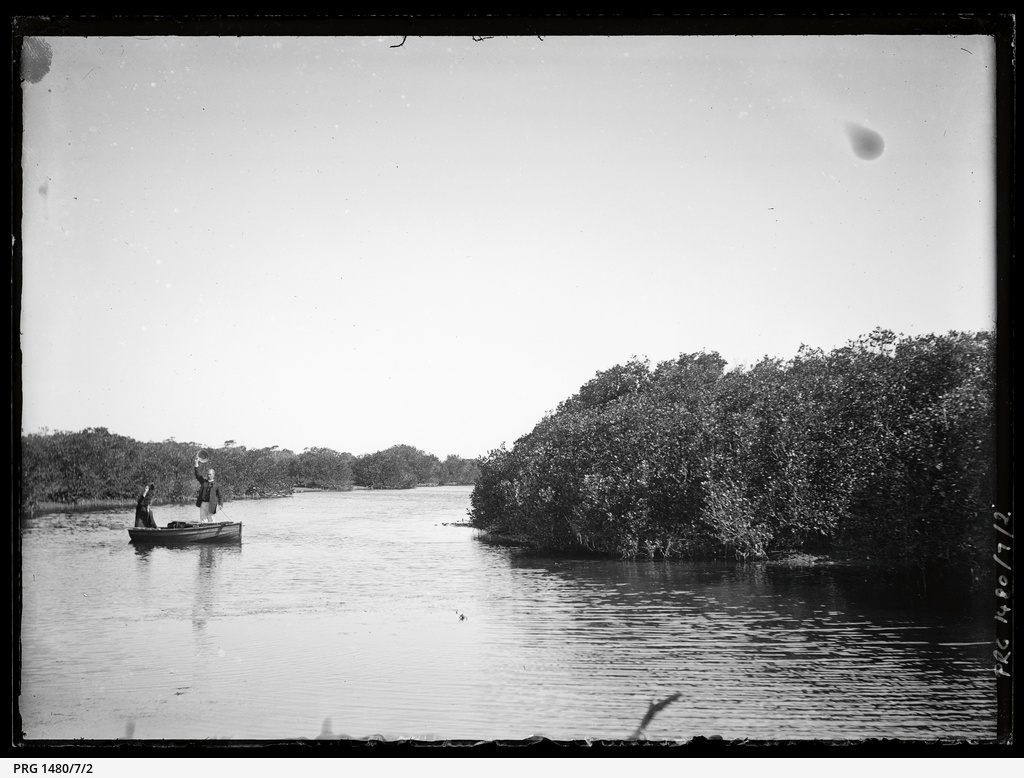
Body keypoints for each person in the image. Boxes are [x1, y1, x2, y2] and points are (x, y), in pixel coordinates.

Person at [194, 455, 224, 523]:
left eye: (210, 474)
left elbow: (220, 496)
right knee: (203, 520)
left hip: (212, 504)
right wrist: (196, 463)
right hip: (203, 504)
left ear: (213, 475)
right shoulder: (204, 482)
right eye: (207, 474)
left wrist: (220, 505)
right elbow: (198, 475)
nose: (208, 475)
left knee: (211, 520)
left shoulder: (217, 485)